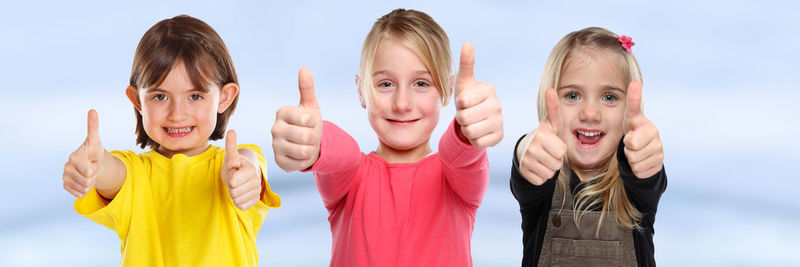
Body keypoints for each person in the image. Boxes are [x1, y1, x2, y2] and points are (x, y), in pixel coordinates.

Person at [271, 8, 503, 266]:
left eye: (421, 84)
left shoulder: (455, 178)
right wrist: (313, 142)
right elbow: (341, 153)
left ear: (447, 91)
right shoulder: (350, 177)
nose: (402, 103)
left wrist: (468, 130)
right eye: (385, 84)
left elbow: (459, 155)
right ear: (361, 92)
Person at [62, 15, 281, 266]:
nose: (177, 115)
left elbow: (249, 164)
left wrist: (247, 176)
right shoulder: (134, 174)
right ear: (137, 100)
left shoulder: (232, 165)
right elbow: (111, 174)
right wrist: (94, 167)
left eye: (195, 96)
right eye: (160, 97)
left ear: (224, 97)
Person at [510, 27, 667, 266]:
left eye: (609, 97)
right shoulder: (543, 178)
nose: (590, 113)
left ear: (630, 108)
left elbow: (649, 177)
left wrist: (648, 157)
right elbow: (526, 165)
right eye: (573, 96)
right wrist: (525, 149)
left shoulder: (636, 182)